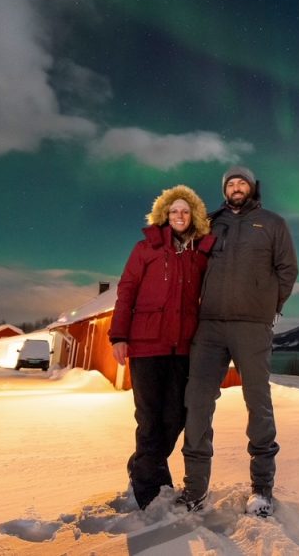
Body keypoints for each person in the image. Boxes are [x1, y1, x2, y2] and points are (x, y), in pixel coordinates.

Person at [178, 166, 298, 517]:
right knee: (197, 402)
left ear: (252, 187)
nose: (236, 187)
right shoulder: (209, 224)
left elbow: (287, 269)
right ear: (224, 190)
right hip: (210, 325)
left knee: (257, 403)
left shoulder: (273, 223)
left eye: (241, 182)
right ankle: (195, 489)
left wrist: (270, 305)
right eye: (230, 184)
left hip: (252, 326)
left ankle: (262, 489)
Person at [109, 185, 215, 510]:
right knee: (150, 418)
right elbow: (126, 290)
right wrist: (119, 336)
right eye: (174, 211)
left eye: (185, 211)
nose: (180, 216)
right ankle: (146, 490)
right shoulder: (147, 248)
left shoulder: (199, 254)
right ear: (164, 216)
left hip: (182, 349)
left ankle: (143, 464)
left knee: (176, 418)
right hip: (146, 346)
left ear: (193, 215)